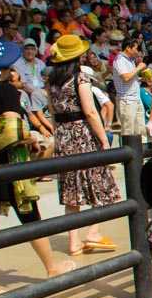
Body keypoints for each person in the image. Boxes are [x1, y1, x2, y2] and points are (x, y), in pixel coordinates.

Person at [0, 36, 76, 298]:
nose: (11, 69)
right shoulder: (7, 92)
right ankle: (51, 266)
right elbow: (12, 129)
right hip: (8, 165)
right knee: (30, 215)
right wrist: (31, 138)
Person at [47, 35, 121, 256]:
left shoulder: (50, 82)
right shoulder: (80, 79)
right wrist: (104, 138)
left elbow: (52, 113)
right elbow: (90, 111)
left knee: (72, 191)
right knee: (102, 183)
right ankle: (93, 232)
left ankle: (73, 242)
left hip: (63, 135)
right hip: (83, 134)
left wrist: (59, 135)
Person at [112, 36, 149, 137]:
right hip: (126, 100)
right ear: (128, 48)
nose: (138, 51)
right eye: (136, 48)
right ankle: (131, 153)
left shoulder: (130, 60)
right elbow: (126, 77)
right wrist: (139, 68)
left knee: (140, 130)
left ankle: (142, 152)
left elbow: (131, 78)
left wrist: (141, 79)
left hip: (135, 98)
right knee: (129, 132)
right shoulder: (119, 59)